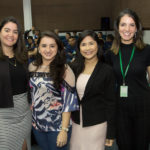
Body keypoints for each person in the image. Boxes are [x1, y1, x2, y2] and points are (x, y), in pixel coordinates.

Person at [105, 8, 150, 150]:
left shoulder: (147, 50)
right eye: (123, 24)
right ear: (117, 28)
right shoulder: (110, 54)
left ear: (137, 28)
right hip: (120, 109)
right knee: (124, 146)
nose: (127, 29)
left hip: (143, 107)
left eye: (131, 25)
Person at [29, 31, 79, 150]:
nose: (48, 50)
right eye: (44, 45)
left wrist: (64, 130)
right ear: (39, 48)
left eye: (52, 46)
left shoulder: (65, 70)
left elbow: (69, 104)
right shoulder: (32, 66)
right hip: (38, 126)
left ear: (58, 48)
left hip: (58, 127)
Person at [69, 30, 116, 150]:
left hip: (97, 124)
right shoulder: (73, 67)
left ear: (97, 45)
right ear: (79, 48)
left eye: (91, 43)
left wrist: (110, 133)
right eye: (83, 44)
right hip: (76, 123)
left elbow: (111, 103)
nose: (87, 48)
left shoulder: (107, 70)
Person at [0, 16, 32, 150]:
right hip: (3, 115)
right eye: (7, 30)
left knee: (23, 146)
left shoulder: (22, 56)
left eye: (15, 31)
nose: (11, 35)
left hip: (24, 112)